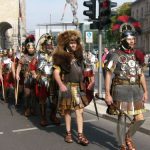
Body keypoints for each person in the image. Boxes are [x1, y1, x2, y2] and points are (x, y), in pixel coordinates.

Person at [104, 15, 148, 150]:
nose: (132, 41)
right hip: (120, 89)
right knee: (122, 118)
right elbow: (108, 74)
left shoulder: (137, 55)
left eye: (133, 39)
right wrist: (107, 94)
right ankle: (123, 144)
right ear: (123, 40)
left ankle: (128, 137)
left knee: (139, 118)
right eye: (130, 39)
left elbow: (140, 74)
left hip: (136, 90)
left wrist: (145, 91)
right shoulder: (115, 54)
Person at [53, 30, 94, 146]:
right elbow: (56, 72)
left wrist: (92, 81)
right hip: (68, 87)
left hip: (79, 87)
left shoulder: (80, 56)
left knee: (80, 111)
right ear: (67, 44)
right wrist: (61, 85)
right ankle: (68, 133)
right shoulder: (61, 57)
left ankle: (80, 135)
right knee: (67, 111)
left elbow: (88, 70)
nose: (73, 44)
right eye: (71, 42)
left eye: (75, 42)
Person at [30, 33, 60, 126]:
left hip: (53, 79)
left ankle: (53, 115)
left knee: (55, 99)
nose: (49, 46)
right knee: (42, 99)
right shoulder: (38, 54)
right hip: (42, 78)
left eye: (51, 45)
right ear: (43, 45)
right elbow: (32, 65)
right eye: (47, 45)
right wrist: (34, 74)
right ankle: (43, 117)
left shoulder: (56, 54)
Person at [16, 35, 36, 117]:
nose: (31, 49)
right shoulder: (23, 57)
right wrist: (17, 74)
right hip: (27, 78)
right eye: (29, 48)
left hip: (35, 78)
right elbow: (19, 66)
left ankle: (32, 108)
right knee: (27, 94)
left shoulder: (36, 57)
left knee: (33, 94)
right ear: (27, 48)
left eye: (32, 48)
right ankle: (27, 108)